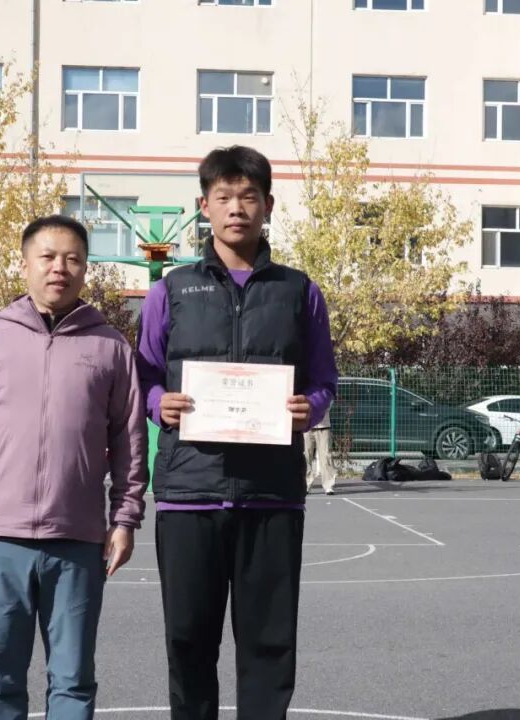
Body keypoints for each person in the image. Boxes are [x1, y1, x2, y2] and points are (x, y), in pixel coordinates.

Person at [136, 145, 338, 720]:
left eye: (248, 196)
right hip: (188, 494)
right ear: (204, 206)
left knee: (269, 646)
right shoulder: (171, 290)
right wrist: (157, 402)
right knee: (188, 643)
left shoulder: (300, 291)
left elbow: (324, 379)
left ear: (268, 205)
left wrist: (308, 408)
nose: (236, 208)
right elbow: (143, 373)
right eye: (223, 196)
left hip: (271, 494)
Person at [0, 214, 148, 720]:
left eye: (73, 259)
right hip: (0, 537)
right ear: (25, 264)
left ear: (85, 269)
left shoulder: (111, 347)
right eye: (47, 257)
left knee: (73, 680)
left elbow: (129, 442)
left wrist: (124, 519)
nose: (60, 268)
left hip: (79, 540)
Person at [304, 409, 336, 495]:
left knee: (326, 456)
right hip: (306, 425)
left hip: (324, 425)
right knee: (306, 456)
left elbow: (327, 404)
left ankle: (328, 485)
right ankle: (306, 484)